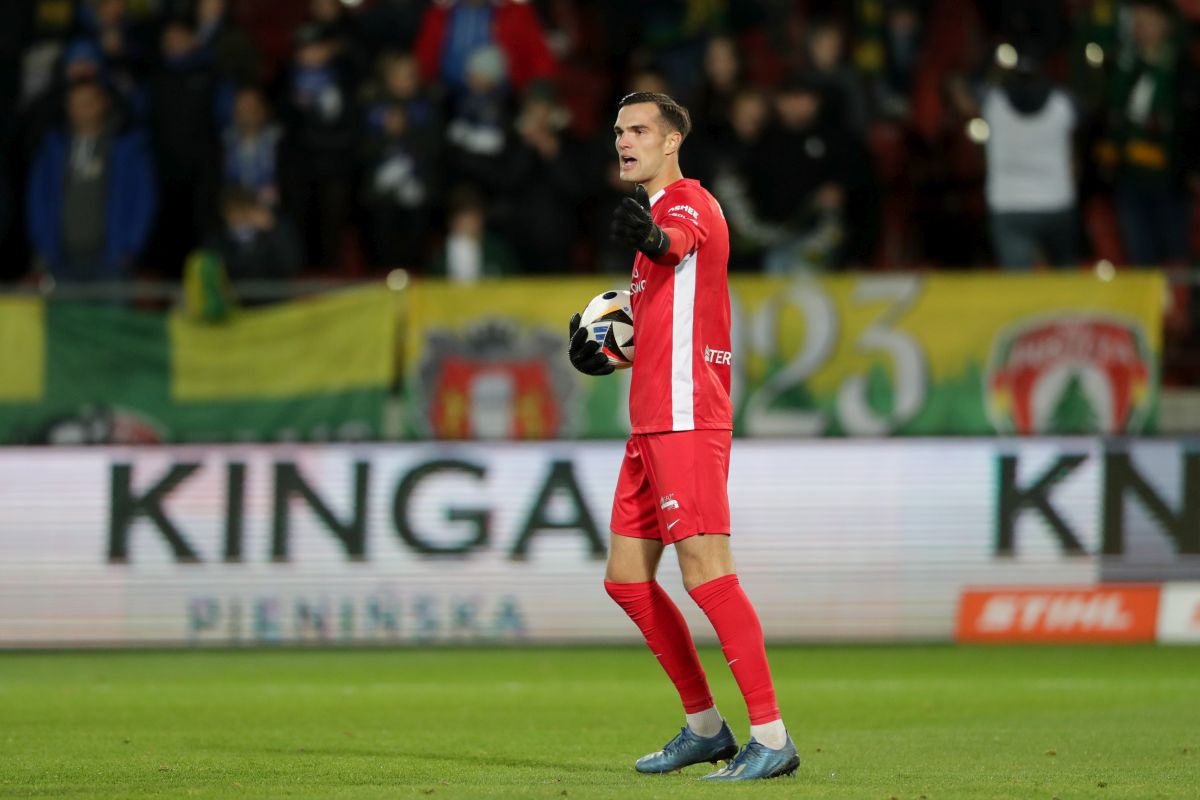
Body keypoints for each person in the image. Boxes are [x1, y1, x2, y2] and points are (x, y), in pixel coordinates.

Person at [567, 91, 799, 781]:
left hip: (688, 416)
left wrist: (652, 239)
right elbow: (667, 324)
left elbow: (678, 243)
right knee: (626, 580)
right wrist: (608, 351)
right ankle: (705, 727)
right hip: (650, 422)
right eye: (619, 131)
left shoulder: (687, 203)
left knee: (707, 572)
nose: (624, 141)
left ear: (672, 141)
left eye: (640, 130)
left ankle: (772, 737)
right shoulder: (652, 226)